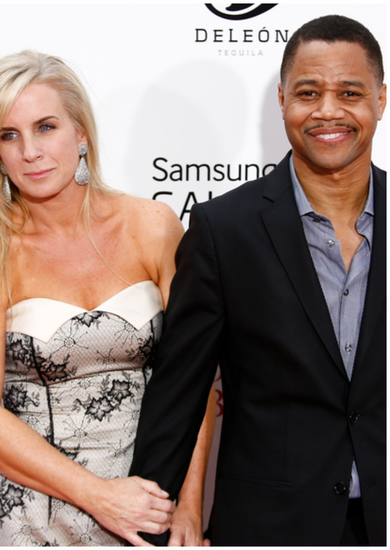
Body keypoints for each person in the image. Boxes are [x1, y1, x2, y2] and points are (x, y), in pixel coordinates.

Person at [129, 14, 386, 545]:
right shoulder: (225, 230)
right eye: (309, 92)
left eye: (350, 92)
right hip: (270, 528)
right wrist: (152, 522)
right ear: (283, 100)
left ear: (381, 99)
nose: (328, 111)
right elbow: (179, 392)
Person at [0, 50, 216, 547]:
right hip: (31, 517)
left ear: (81, 133)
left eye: (46, 127)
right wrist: (101, 497)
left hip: (151, 504)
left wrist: (189, 507)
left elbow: (195, 378)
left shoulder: (150, 226)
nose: (30, 152)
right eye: (9, 135)